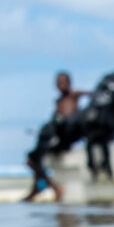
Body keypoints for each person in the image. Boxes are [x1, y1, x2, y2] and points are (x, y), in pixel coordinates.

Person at [23, 72, 79, 201]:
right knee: (32, 159)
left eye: (63, 81)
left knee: (35, 158)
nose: (60, 84)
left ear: (69, 83)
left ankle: (50, 187)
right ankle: (42, 187)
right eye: (58, 82)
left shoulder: (74, 95)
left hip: (63, 140)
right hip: (53, 137)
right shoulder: (58, 101)